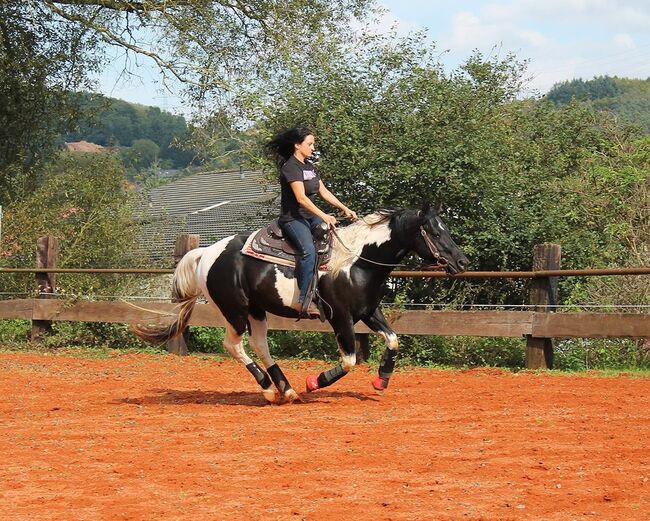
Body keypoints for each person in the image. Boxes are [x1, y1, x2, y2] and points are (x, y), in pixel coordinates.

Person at [266, 126, 358, 317]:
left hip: (309, 217)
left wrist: (344, 208)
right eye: (310, 144)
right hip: (293, 219)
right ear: (297, 145)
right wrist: (324, 216)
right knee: (308, 252)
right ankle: (304, 301)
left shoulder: (309, 167)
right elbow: (301, 198)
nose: (313, 147)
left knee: (333, 242)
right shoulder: (290, 167)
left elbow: (323, 192)